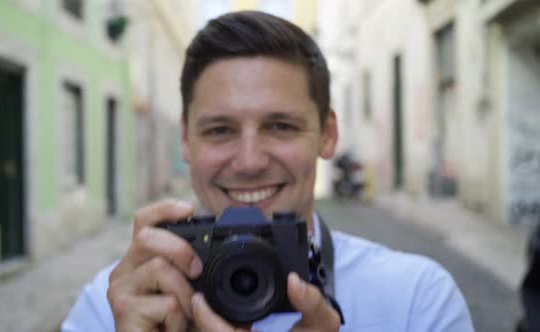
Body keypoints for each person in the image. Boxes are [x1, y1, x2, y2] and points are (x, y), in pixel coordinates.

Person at [61, 11, 474, 332]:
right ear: (186, 140)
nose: (250, 161)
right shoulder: (113, 305)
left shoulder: (415, 301)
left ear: (327, 134)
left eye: (280, 126)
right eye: (220, 130)